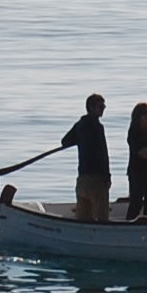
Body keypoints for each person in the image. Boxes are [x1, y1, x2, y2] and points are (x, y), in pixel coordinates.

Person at [60, 93, 111, 223]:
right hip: (96, 180)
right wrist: (107, 176)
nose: (103, 108)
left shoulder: (80, 125)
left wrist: (79, 140)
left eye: (104, 105)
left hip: (82, 179)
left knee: (83, 218)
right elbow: (103, 154)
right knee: (102, 218)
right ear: (91, 107)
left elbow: (65, 141)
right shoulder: (98, 127)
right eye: (100, 106)